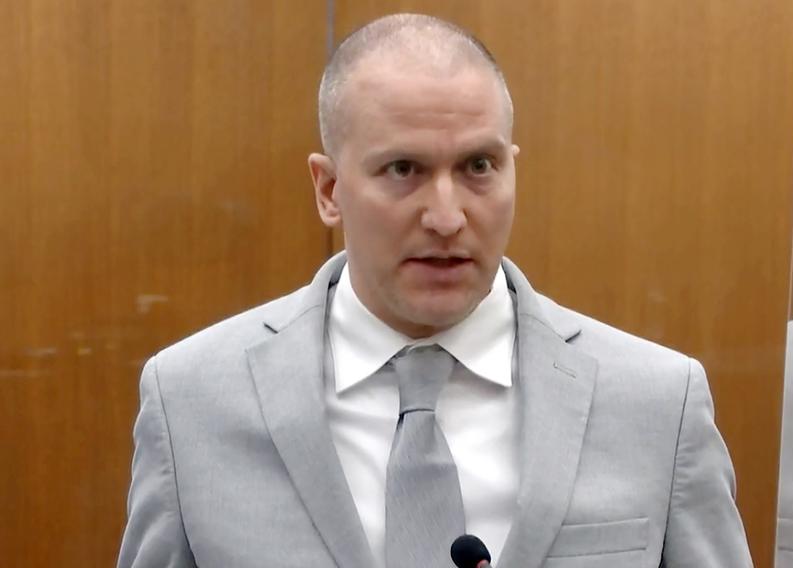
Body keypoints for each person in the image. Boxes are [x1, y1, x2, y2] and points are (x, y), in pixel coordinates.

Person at [118, 13, 753, 568]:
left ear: (512, 169)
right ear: (329, 190)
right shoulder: (190, 402)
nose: (447, 217)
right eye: (404, 169)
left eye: (478, 167)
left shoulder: (659, 403)